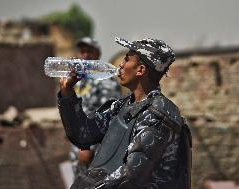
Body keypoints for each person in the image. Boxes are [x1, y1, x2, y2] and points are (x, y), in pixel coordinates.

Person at [58, 37, 192, 189]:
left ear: (140, 70)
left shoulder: (157, 114)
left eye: (127, 60)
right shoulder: (122, 106)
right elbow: (83, 134)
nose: (120, 65)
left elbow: (130, 177)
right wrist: (68, 94)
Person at [69, 37, 121, 176]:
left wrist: (88, 147)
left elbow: (108, 116)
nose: (85, 55)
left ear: (98, 54)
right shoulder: (79, 80)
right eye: (82, 51)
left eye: (89, 51)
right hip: (78, 147)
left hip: (95, 150)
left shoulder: (105, 79)